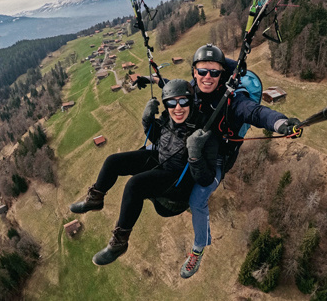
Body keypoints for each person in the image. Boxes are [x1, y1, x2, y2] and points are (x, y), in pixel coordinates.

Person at [178, 44, 302, 279]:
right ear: (194, 72)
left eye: (214, 72)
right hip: (195, 148)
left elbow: (255, 113)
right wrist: (148, 78)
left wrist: (281, 124)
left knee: (197, 199)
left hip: (219, 158)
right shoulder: (192, 89)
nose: (207, 77)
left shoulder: (233, 99)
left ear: (222, 74)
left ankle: (198, 248)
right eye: (202, 71)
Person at [70, 79, 219, 266]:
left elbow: (205, 179)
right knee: (113, 161)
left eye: (184, 101)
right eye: (172, 102)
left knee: (135, 185)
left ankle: (119, 243)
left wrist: (195, 154)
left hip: (178, 183)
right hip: (161, 162)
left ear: (192, 101)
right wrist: (147, 121)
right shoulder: (167, 118)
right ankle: (95, 199)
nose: (178, 108)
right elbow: (158, 138)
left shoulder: (204, 131)